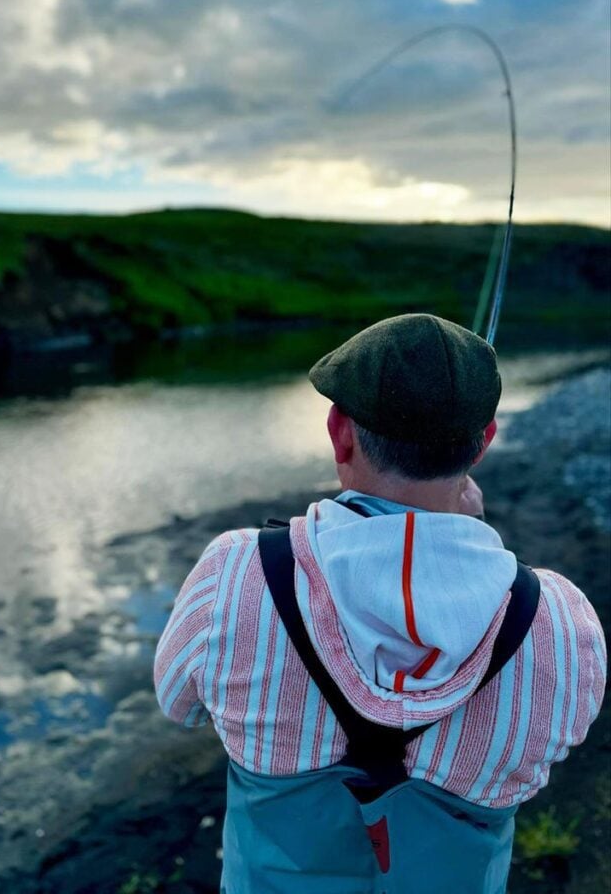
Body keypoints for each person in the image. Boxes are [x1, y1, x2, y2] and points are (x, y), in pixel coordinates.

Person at [154, 314, 606, 894]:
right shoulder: (561, 625)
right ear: (483, 441)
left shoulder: (235, 575)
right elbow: (556, 740)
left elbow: (179, 704)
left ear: (340, 432)